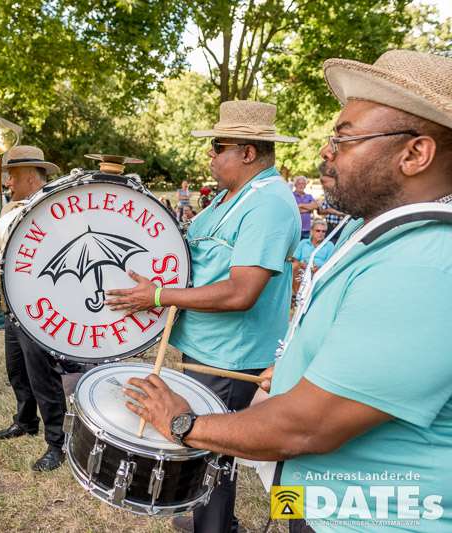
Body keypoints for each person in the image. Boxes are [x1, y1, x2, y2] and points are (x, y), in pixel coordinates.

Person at [124, 49, 452, 533]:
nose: (326, 151)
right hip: (321, 501)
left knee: (215, 471)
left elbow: (307, 426)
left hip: (371, 518)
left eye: (344, 137)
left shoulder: (427, 264)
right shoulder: (385, 234)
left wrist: (183, 424)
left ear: (415, 154)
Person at [107, 100, 301, 533]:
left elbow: (241, 291)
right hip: (206, 348)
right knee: (199, 445)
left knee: (211, 450)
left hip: (231, 356)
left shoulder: (267, 204)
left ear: (248, 152)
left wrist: (157, 294)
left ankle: (213, 527)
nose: (210, 156)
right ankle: (209, 520)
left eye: (218, 146)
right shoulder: (234, 196)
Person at [0, 145, 67, 471]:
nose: (7, 182)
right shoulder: (12, 207)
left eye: (13, 176)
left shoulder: (52, 208)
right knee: (16, 368)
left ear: (31, 177)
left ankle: (56, 442)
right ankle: (25, 420)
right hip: (11, 301)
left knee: (41, 375)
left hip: (37, 305)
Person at [317, 174, 347, 244]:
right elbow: (320, 212)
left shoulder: (346, 198)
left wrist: (337, 213)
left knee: (339, 245)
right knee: (327, 244)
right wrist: (328, 210)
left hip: (341, 226)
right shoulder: (328, 197)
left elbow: (350, 213)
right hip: (329, 226)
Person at [292, 175, 318, 239]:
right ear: (295, 185)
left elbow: (315, 206)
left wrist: (301, 205)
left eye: (303, 183)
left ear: (305, 185)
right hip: (295, 229)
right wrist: (309, 209)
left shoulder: (309, 196)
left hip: (307, 229)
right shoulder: (291, 196)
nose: (301, 185)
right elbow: (293, 210)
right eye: (299, 183)